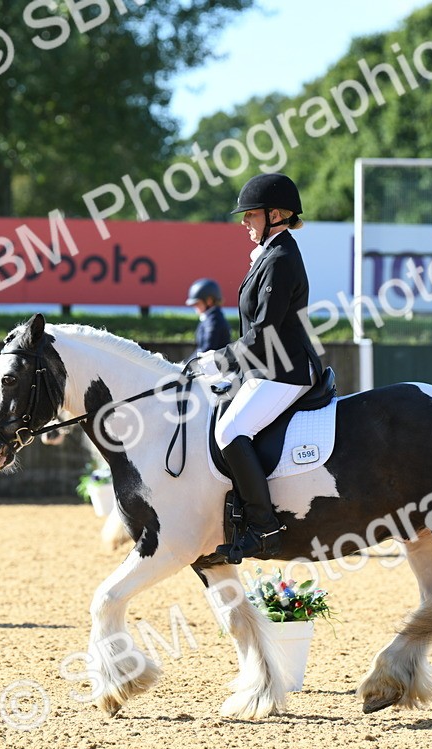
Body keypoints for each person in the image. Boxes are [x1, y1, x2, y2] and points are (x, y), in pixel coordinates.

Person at [186, 172, 323, 563]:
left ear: (275, 214)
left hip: (285, 370)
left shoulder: (281, 259)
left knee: (231, 431)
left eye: (251, 214)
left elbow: (263, 334)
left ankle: (264, 528)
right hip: (263, 368)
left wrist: (215, 360)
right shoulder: (269, 255)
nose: (244, 221)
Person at [185, 278, 231, 358]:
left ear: (209, 301)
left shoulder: (213, 322)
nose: (195, 307)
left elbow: (206, 350)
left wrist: (186, 366)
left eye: (197, 304)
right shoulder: (208, 319)